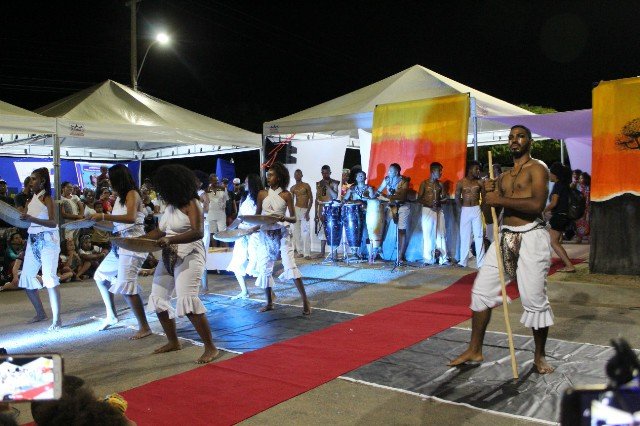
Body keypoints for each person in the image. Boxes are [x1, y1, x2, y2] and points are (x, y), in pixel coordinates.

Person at [448, 124, 555, 374]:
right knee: (481, 291)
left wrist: (500, 199)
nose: (514, 140)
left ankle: (539, 356)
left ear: (530, 141)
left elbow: (537, 205)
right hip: (505, 236)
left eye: (520, 136)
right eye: (511, 137)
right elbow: (491, 214)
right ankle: (475, 349)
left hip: (532, 236)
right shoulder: (504, 177)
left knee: (534, 300)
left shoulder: (538, 168)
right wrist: (487, 196)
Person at [145, 164, 219, 364]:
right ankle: (173, 341)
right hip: (169, 255)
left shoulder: (192, 203)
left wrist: (170, 240)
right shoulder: (169, 206)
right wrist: (136, 240)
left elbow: (198, 232)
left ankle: (210, 347)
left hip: (190, 254)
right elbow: (160, 231)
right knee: (158, 298)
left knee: (187, 299)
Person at [90, 164, 152, 338]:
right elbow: (116, 224)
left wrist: (103, 215)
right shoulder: (119, 198)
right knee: (100, 276)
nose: (108, 182)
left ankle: (144, 327)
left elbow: (130, 218)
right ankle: (111, 316)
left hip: (134, 244)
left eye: (110, 179)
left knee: (126, 285)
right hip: (120, 244)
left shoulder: (132, 194)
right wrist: (94, 222)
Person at [256, 162, 311, 315]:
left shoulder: (286, 195)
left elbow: (293, 218)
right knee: (264, 268)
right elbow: (257, 216)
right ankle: (269, 302)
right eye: (267, 175)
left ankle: (305, 301)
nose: (268, 177)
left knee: (290, 265)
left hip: (282, 234)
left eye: (271, 175)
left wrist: (283, 218)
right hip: (266, 234)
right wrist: (250, 228)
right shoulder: (262, 194)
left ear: (279, 177)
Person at [18, 167, 63, 330]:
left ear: (42, 181)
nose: (31, 182)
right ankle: (41, 313)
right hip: (33, 240)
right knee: (27, 277)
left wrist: (31, 218)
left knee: (49, 278)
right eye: (30, 179)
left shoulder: (47, 198)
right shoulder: (31, 199)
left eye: (34, 179)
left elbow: (53, 222)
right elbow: (26, 219)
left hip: (48, 240)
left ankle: (57, 320)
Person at [226, 174, 263, 298]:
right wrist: (228, 229)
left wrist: (252, 229)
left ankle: (270, 294)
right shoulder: (244, 198)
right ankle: (244, 291)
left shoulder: (260, 198)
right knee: (236, 262)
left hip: (255, 234)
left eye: (247, 182)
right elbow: (239, 218)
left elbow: (262, 220)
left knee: (257, 265)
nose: (244, 183)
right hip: (242, 233)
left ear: (252, 183)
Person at [543, 162, 576, 273]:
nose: (549, 175)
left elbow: (554, 203)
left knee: (553, 241)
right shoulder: (565, 185)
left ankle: (569, 265)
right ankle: (549, 261)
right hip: (564, 217)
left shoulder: (557, 186)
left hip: (559, 217)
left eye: (550, 173)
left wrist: (542, 210)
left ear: (556, 175)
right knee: (553, 240)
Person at [375, 163, 411, 263]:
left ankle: (400, 256)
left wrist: (386, 197)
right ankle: (378, 249)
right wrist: (374, 194)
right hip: (391, 206)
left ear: (396, 172)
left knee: (401, 230)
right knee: (383, 225)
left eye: (391, 171)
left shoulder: (404, 181)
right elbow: (379, 191)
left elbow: (402, 197)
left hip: (402, 206)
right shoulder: (387, 179)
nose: (388, 172)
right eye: (388, 170)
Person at [455, 160, 485, 268]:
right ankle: (463, 261)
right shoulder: (461, 182)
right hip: (465, 209)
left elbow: (485, 198)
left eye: (479, 169)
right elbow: (457, 198)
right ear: (470, 169)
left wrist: (480, 209)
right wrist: (462, 209)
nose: (478, 171)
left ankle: (481, 262)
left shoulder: (480, 182)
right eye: (476, 169)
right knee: (464, 235)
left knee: (479, 235)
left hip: (476, 209)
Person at [417, 162, 447, 265]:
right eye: (439, 171)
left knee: (441, 233)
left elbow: (445, 198)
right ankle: (428, 258)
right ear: (433, 171)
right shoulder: (424, 183)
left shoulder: (441, 184)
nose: (441, 173)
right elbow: (419, 199)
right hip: (427, 210)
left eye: (441, 171)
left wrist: (439, 202)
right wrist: (429, 203)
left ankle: (443, 259)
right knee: (427, 234)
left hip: (438, 210)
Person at [314, 165, 339, 258]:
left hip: (331, 208)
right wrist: (316, 214)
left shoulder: (334, 183)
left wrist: (327, 186)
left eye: (326, 173)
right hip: (321, 208)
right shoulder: (318, 184)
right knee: (322, 231)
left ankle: (334, 253)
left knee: (332, 230)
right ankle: (322, 252)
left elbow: (335, 196)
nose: (325, 175)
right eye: (323, 173)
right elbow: (317, 199)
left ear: (330, 173)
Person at [290, 169, 313, 259]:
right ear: (294, 176)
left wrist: (307, 212)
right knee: (296, 232)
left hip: (304, 209)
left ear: (302, 175)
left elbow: (311, 199)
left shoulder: (306, 185)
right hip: (296, 209)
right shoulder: (293, 188)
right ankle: (300, 252)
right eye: (296, 174)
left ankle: (307, 253)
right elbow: (291, 202)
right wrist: (292, 213)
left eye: (299, 174)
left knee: (306, 231)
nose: (297, 176)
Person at [194, 170, 211, 293]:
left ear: (200, 182)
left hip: (203, 225)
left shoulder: (203, 194)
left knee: (201, 254)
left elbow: (206, 210)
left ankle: (205, 286)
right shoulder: (192, 194)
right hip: (193, 225)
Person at [207, 174, 229, 246]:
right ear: (210, 181)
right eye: (214, 181)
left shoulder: (223, 189)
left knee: (223, 233)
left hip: (221, 214)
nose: (217, 182)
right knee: (212, 233)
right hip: (210, 214)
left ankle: (225, 250)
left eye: (217, 180)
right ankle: (214, 250)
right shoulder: (207, 190)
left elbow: (225, 202)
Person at [574, 172, 591, 243]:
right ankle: (579, 237)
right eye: (580, 178)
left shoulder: (589, 186)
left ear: (585, 179)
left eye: (581, 178)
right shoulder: (577, 186)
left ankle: (589, 237)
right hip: (580, 207)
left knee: (587, 222)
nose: (580, 179)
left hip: (588, 207)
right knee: (579, 222)